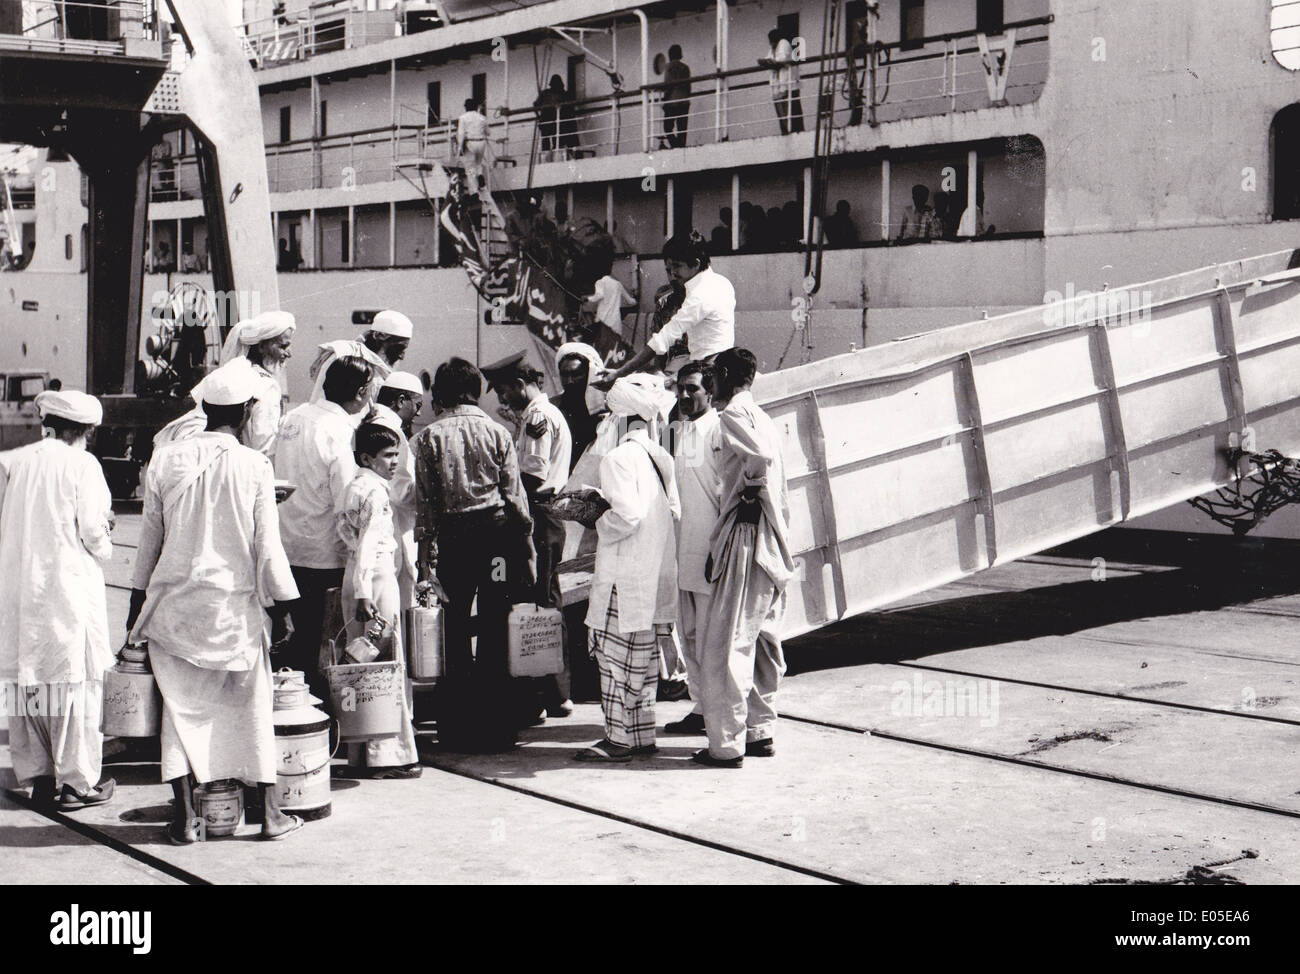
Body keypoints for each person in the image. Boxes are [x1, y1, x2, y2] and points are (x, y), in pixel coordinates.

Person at [126, 366, 301, 842]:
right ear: (247, 411)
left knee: (180, 717)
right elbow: (268, 547)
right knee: (251, 709)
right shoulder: (255, 465)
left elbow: (148, 546)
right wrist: (283, 607)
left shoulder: (165, 460)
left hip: (176, 613)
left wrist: (136, 608)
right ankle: (270, 816)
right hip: (233, 613)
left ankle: (185, 819)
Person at [0, 390, 116, 811]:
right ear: (83, 431)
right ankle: (77, 784)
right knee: (74, 684)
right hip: (67, 590)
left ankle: (39, 778)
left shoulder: (14, 461)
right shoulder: (83, 464)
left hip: (19, 590)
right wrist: (106, 537)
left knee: (27, 682)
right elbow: (92, 529)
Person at [412, 358, 534, 751]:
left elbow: (426, 504)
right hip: (497, 540)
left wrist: (424, 556)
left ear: (443, 393)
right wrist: (525, 542)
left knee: (455, 625)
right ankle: (499, 725)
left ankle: (457, 726)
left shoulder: (430, 437)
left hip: (454, 541)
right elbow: (515, 496)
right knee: (497, 621)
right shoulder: (497, 432)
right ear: (475, 391)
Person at [694, 348, 794, 768]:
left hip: (746, 533)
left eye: (711, 376)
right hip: (771, 538)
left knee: (729, 640)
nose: (707, 385)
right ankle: (759, 732)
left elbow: (760, 459)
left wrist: (750, 491)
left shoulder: (732, 415)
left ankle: (727, 745)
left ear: (727, 375)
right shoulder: (763, 416)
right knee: (763, 636)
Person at [576, 374, 679, 762]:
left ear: (619, 417)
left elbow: (626, 517)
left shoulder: (618, 457)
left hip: (625, 576)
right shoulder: (659, 454)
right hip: (653, 572)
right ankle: (640, 736)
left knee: (614, 661)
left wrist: (592, 513)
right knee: (643, 662)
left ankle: (618, 740)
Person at [274, 356, 373, 701]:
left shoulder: (290, 420)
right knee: (323, 642)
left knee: (292, 639)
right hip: (325, 554)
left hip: (286, 549)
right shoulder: (341, 431)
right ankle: (316, 716)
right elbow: (348, 499)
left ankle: (288, 708)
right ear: (361, 392)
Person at [482, 353, 574, 720]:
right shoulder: (539, 414)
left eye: (503, 391)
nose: (502, 399)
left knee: (535, 604)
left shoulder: (537, 417)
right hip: (545, 515)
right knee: (543, 600)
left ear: (521, 384)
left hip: (537, 513)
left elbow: (532, 476)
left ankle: (542, 696)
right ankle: (553, 692)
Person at [336, 419, 422, 778]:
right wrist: (364, 592)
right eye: (387, 456)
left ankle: (361, 754)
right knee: (385, 665)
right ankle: (392, 755)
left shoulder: (353, 487)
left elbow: (347, 536)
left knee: (359, 667)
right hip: (375, 581)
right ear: (366, 457)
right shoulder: (374, 491)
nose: (394, 463)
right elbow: (370, 544)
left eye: (396, 455)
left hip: (358, 578)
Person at [662, 361, 722, 736]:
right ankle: (701, 708)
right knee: (689, 636)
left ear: (710, 391)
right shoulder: (675, 432)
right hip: (682, 552)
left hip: (709, 553)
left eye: (693, 389)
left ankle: (718, 712)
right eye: (680, 389)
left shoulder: (718, 429)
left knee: (713, 637)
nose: (684, 396)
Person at [152, 311, 295, 460]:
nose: (289, 353)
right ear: (261, 347)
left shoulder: (225, 374)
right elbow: (263, 448)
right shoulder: (267, 386)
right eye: (283, 346)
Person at [600, 231, 734, 385]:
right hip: (708, 367)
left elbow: (663, 339)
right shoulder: (722, 282)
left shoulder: (701, 294)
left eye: (677, 267)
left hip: (706, 373)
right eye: (669, 269)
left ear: (696, 264)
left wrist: (619, 373)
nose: (672, 274)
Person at [375, 371, 423, 613]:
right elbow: (402, 492)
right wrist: (429, 494)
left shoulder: (373, 422)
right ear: (401, 400)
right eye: (417, 404)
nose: (419, 412)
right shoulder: (391, 429)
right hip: (395, 527)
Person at [306, 308, 413, 413]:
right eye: (399, 348)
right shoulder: (345, 355)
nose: (401, 356)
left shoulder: (383, 365)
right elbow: (322, 400)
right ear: (379, 336)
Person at [555, 342, 606, 469]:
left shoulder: (605, 409)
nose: (569, 381)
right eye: (565, 375)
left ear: (589, 375)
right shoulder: (552, 408)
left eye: (576, 374)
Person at [762, 28, 804, 135]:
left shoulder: (783, 44)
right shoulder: (773, 48)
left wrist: (771, 62)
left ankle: (796, 132)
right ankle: (785, 132)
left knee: (793, 113)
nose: (770, 43)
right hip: (779, 88)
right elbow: (769, 58)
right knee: (782, 114)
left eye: (771, 41)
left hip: (789, 86)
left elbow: (781, 59)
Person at [583, 263, 635, 338]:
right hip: (615, 320)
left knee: (602, 341)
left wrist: (587, 299)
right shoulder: (618, 284)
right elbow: (630, 301)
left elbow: (599, 295)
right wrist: (636, 301)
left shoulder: (600, 282)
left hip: (603, 319)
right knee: (615, 340)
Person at [456, 97, 491, 191]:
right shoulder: (482, 117)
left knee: (470, 167)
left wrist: (460, 148)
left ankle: (474, 191)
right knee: (478, 163)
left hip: (470, 142)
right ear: (476, 107)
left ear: (466, 107)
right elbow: (488, 132)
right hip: (481, 142)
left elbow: (461, 133)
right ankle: (480, 175)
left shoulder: (463, 118)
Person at [662, 45, 691, 148]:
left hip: (672, 101)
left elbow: (668, 85)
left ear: (670, 55)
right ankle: (681, 147)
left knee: (667, 127)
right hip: (684, 101)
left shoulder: (669, 67)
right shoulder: (686, 68)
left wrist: (664, 100)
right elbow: (688, 87)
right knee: (682, 128)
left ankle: (675, 146)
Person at [534, 75, 566, 156]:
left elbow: (535, 105)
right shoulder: (562, 94)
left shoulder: (545, 93)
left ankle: (548, 155)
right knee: (555, 140)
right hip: (553, 120)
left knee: (548, 141)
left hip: (548, 119)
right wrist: (538, 116)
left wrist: (538, 116)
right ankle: (554, 154)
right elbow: (535, 105)